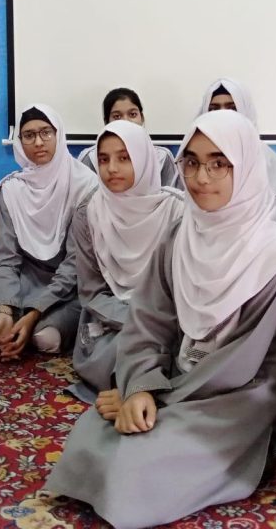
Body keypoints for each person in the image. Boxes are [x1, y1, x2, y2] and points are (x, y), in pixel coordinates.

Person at [45, 110, 276, 529]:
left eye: (219, 163)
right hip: (178, 374)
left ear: (245, 167)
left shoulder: (273, 258)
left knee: (133, 461)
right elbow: (149, 320)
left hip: (236, 398)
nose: (201, 177)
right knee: (90, 437)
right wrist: (140, 384)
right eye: (191, 161)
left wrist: (158, 398)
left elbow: (241, 363)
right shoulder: (180, 235)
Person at [0, 105, 97, 359]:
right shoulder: (12, 189)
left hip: (69, 288)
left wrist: (33, 313)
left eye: (46, 133)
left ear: (58, 134)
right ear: (19, 142)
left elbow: (75, 265)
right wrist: (4, 310)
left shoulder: (85, 186)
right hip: (24, 282)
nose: (38, 142)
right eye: (29, 135)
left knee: (46, 339)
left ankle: (30, 321)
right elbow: (5, 257)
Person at [66, 120, 184, 411]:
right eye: (103, 159)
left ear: (143, 159)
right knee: (119, 352)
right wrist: (135, 320)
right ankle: (142, 391)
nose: (112, 168)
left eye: (124, 158)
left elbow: (184, 288)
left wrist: (155, 323)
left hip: (169, 317)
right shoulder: (89, 212)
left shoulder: (178, 211)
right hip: (111, 317)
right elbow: (92, 292)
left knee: (185, 355)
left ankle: (137, 392)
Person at [199, 78, 276, 228]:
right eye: (214, 109)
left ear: (246, 113)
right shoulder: (193, 161)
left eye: (232, 109)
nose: (223, 116)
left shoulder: (271, 165)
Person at [76, 87, 180, 188]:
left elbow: (171, 194)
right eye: (117, 116)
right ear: (107, 122)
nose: (126, 121)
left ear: (142, 118)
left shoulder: (162, 157)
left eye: (133, 114)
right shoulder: (91, 158)